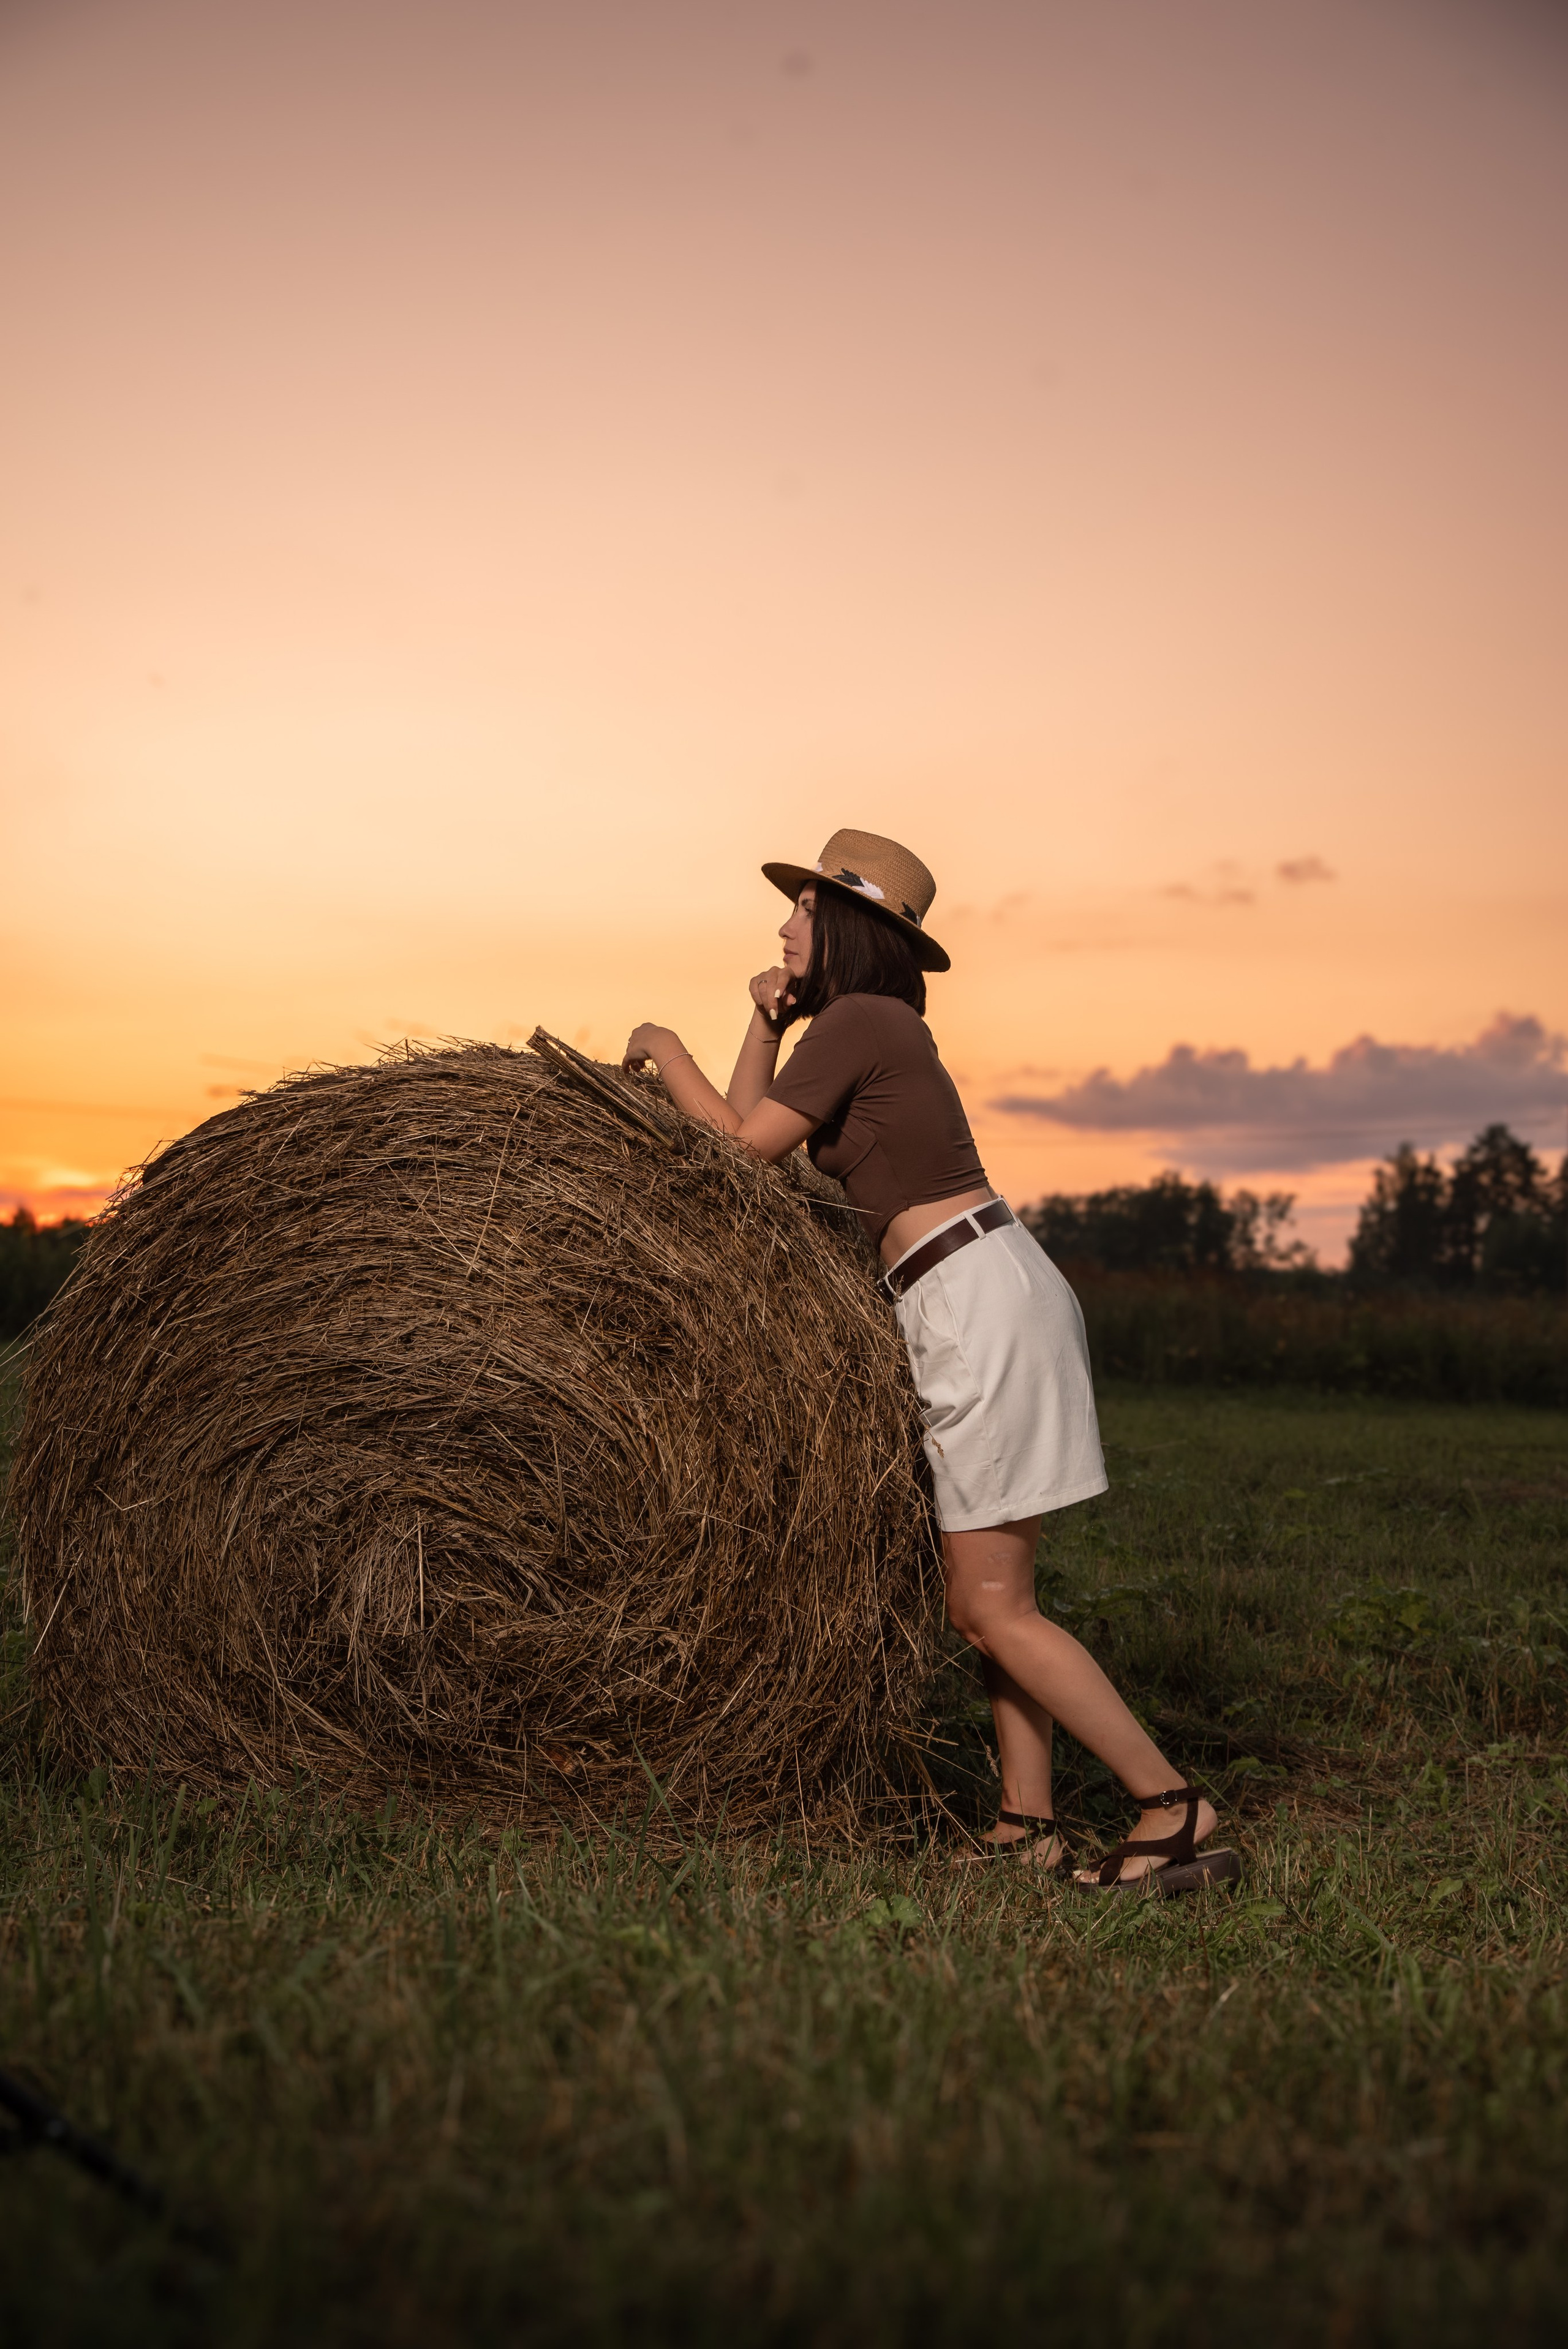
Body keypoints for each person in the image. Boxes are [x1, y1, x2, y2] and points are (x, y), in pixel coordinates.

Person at [623, 828, 1239, 1893]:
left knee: (989, 1608)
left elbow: (732, 1154)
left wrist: (662, 1046)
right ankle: (1027, 1826)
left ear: (848, 928)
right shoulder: (864, 1027)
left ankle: (1171, 1807)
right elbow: (755, 1144)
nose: (784, 924)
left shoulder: (864, 1020)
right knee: (997, 1599)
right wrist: (762, 1020)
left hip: (973, 1303)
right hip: (973, 1292)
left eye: (803, 909)